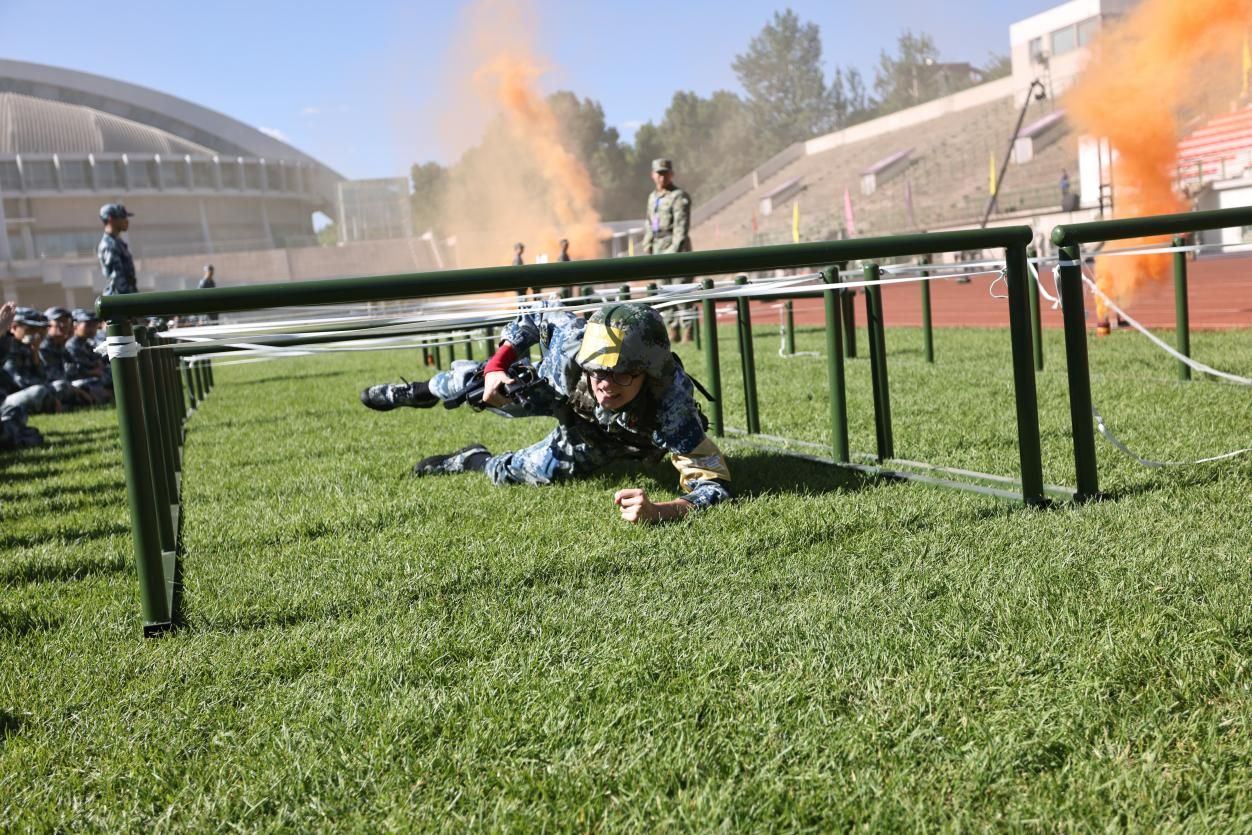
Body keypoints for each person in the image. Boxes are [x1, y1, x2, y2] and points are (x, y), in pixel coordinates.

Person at [358, 302, 731, 523]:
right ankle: (419, 392)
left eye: (621, 374)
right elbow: (537, 313)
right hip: (555, 389)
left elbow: (714, 486)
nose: (605, 383)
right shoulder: (573, 346)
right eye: (597, 370)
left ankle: (471, 459)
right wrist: (498, 365)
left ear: (649, 372)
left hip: (601, 439)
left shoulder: (671, 404)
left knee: (514, 472)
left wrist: (660, 511)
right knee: (478, 383)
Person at [639, 158, 693, 341]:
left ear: (671, 174)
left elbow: (681, 226)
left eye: (665, 173)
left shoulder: (678, 196)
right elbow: (649, 223)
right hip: (658, 246)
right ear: (652, 175)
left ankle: (688, 329)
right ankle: (672, 328)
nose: (661, 177)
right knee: (663, 291)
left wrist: (674, 250)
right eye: (659, 173)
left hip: (675, 247)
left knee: (681, 289)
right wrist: (647, 245)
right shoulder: (652, 197)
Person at [98, 203, 137, 296]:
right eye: (122, 217)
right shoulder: (109, 245)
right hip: (120, 298)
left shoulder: (117, 242)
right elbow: (118, 281)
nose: (126, 220)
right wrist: (132, 300)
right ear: (111, 219)